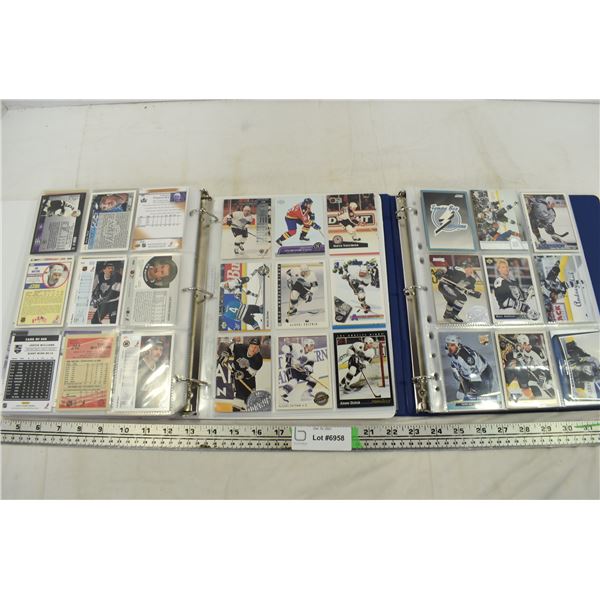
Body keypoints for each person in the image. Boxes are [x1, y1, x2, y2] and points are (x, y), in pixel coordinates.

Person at [502, 334, 554, 399]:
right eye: (519, 344)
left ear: (525, 343)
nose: (519, 345)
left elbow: (545, 364)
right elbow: (518, 358)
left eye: (520, 344)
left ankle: (552, 394)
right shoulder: (520, 351)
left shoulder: (536, 350)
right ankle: (538, 397)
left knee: (545, 385)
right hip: (531, 373)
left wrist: (544, 374)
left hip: (540, 372)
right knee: (531, 383)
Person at [445, 335, 494, 403]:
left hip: (483, 375)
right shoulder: (455, 352)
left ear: (458, 345)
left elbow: (475, 376)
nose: (449, 347)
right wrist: (456, 373)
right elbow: (455, 363)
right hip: (469, 375)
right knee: (460, 396)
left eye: (452, 345)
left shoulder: (466, 357)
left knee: (481, 397)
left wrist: (471, 389)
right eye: (448, 345)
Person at [218, 337, 264, 408]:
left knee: (250, 402)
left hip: (249, 381)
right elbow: (229, 347)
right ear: (249, 346)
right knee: (238, 401)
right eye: (252, 346)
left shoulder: (258, 359)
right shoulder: (240, 348)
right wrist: (226, 353)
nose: (253, 349)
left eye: (256, 348)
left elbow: (251, 374)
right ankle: (236, 410)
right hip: (236, 377)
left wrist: (242, 375)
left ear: (258, 349)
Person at [136, 338, 170, 409]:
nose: (159, 353)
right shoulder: (138, 366)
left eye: (161, 350)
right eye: (156, 349)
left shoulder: (161, 368)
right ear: (148, 350)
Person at [280, 338, 317, 403]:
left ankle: (305, 395)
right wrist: (287, 352)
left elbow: (310, 366)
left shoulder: (312, 355)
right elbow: (284, 347)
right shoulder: (297, 346)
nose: (313, 347)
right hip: (292, 368)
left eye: (313, 345)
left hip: (301, 371)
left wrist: (307, 368)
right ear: (306, 345)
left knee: (314, 379)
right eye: (311, 345)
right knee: (293, 381)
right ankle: (282, 395)